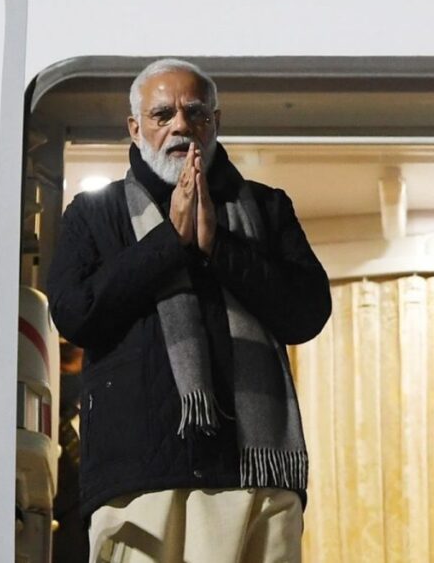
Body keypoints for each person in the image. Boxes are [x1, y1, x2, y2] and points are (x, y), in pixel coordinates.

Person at [46, 59, 331, 563]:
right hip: (141, 480)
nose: (180, 126)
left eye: (194, 113)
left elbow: (306, 313)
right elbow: (74, 314)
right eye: (162, 115)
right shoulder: (95, 214)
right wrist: (168, 243)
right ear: (135, 129)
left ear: (214, 123)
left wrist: (218, 245)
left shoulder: (266, 209)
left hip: (256, 479)